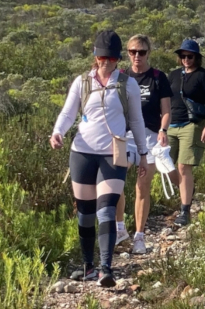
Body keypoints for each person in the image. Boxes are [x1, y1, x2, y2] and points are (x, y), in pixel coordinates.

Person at [50, 30, 148, 287]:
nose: (106, 62)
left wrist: (143, 153)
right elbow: (68, 113)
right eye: (103, 57)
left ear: (118, 59)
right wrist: (58, 132)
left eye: (111, 58)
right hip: (82, 153)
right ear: (95, 56)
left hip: (112, 155)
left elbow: (137, 120)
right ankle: (88, 267)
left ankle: (106, 268)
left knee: (106, 209)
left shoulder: (128, 85)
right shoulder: (82, 82)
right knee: (85, 213)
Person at [114, 35, 173, 254]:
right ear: (127, 53)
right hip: (125, 136)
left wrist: (163, 130)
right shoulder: (121, 77)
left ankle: (139, 236)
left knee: (142, 186)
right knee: (115, 182)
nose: (137, 56)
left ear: (148, 53)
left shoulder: (158, 77)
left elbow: (166, 110)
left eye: (141, 52)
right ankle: (120, 229)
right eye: (132, 52)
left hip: (149, 138)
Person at [167, 39, 205, 226]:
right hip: (171, 125)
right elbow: (164, 99)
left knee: (183, 167)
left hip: (191, 124)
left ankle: (184, 210)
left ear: (196, 57)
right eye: (183, 56)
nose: (186, 59)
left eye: (190, 56)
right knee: (164, 164)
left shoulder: (203, 76)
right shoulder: (173, 75)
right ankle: (187, 187)